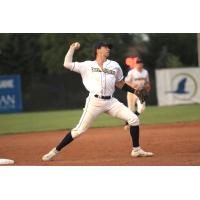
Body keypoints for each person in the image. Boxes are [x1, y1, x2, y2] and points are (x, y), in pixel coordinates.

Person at [42, 41, 154, 161]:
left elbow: (120, 83)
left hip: (111, 102)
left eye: (109, 47)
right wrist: (72, 48)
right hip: (94, 102)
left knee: (134, 119)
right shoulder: (87, 65)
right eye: (105, 47)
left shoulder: (114, 65)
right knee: (79, 130)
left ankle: (136, 150)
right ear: (97, 50)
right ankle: (54, 151)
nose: (108, 49)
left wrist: (135, 91)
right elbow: (67, 64)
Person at [124, 57, 151, 130]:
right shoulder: (132, 72)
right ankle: (127, 123)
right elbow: (126, 81)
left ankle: (132, 120)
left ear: (142, 64)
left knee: (142, 108)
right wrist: (133, 85)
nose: (139, 64)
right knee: (130, 109)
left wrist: (147, 88)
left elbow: (147, 82)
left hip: (141, 92)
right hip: (132, 93)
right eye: (138, 63)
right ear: (135, 64)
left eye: (140, 63)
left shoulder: (145, 72)